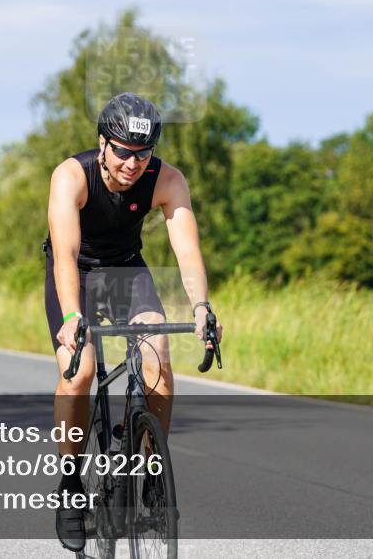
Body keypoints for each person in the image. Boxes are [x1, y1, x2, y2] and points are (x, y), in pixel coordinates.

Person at [44, 92, 224, 551]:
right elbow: (64, 254)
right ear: (103, 143)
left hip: (125, 269)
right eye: (122, 151)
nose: (131, 163)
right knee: (79, 369)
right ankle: (70, 487)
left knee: (158, 360)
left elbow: (187, 251)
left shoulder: (167, 180)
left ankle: (146, 468)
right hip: (77, 272)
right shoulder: (71, 176)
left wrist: (202, 307)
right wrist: (71, 317)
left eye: (142, 153)